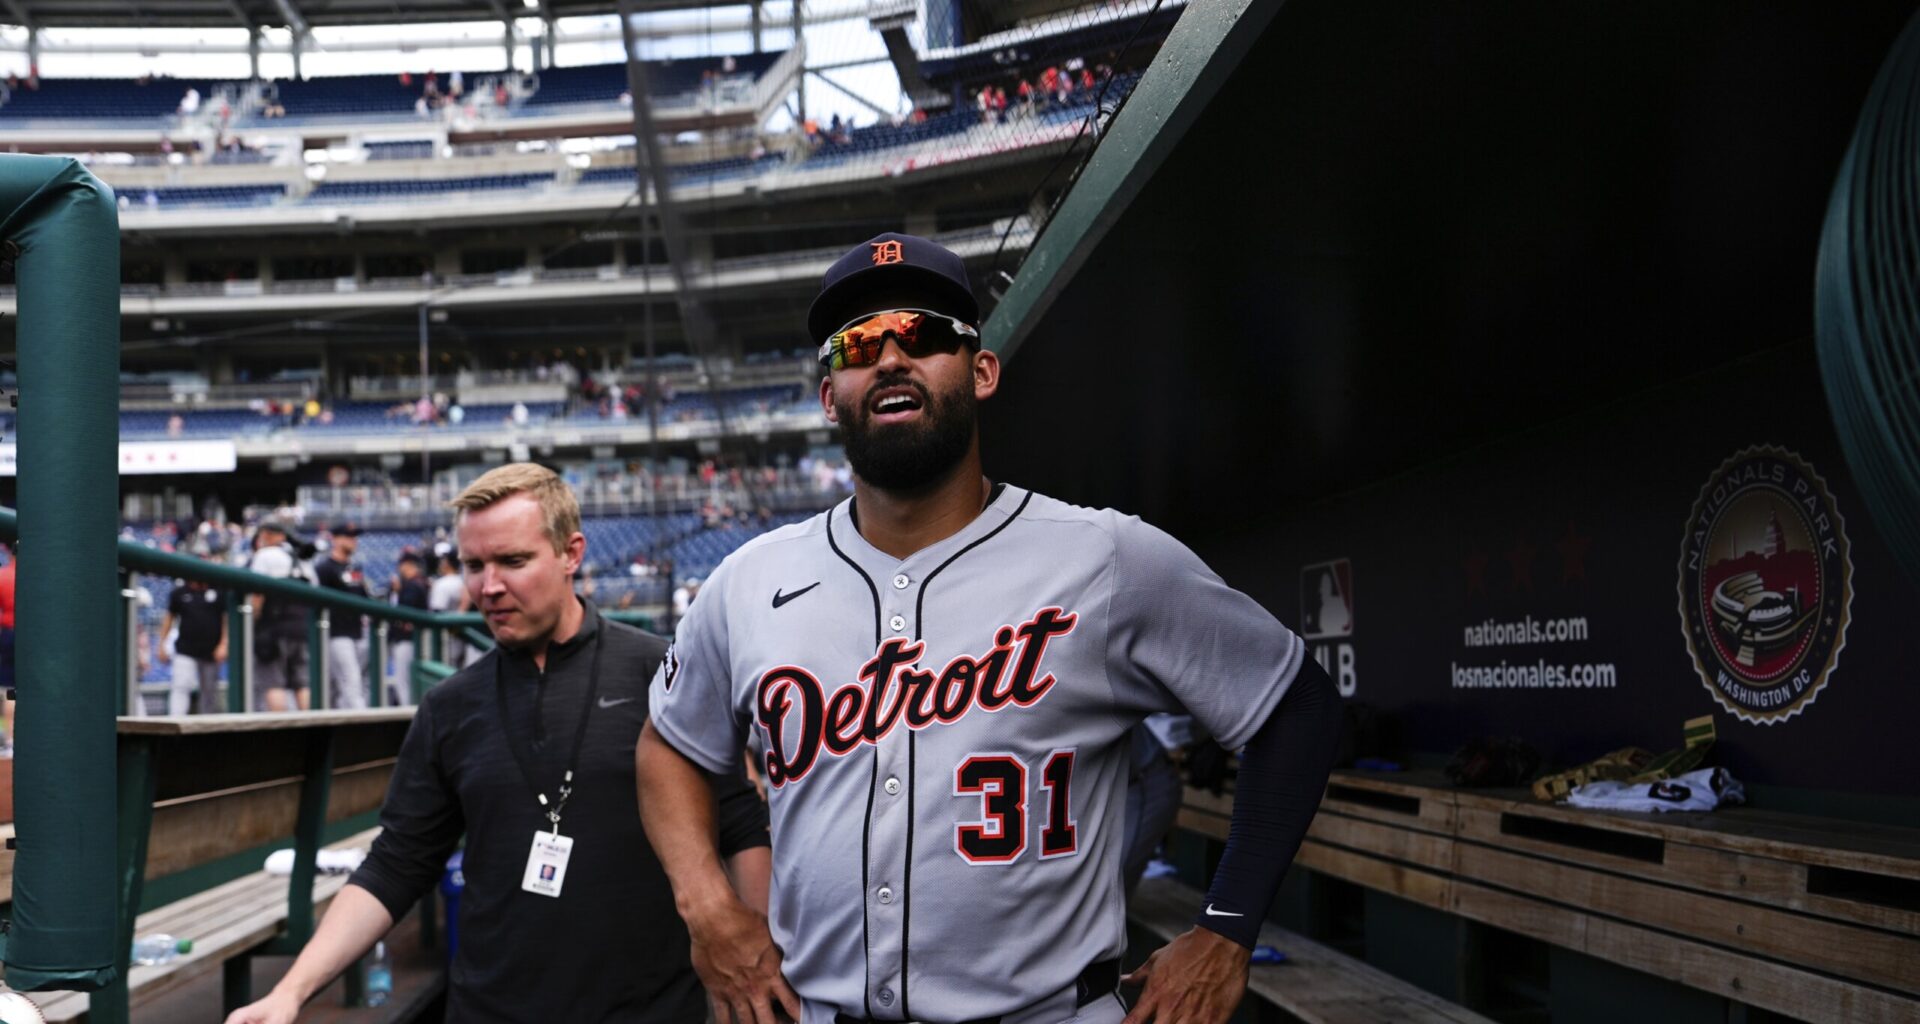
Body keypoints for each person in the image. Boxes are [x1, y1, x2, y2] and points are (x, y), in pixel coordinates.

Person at [635, 234, 1344, 1024]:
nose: (893, 357)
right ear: (831, 394)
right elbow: (669, 744)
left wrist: (1227, 928)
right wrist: (708, 907)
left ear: (981, 372)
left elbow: (1296, 705)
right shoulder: (750, 580)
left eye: (927, 334)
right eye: (860, 343)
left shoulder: (1106, 557)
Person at [225, 464, 771, 1024]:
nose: (489, 587)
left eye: (513, 561)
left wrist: (760, 965)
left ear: (571, 553)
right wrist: (291, 991)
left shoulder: (658, 672)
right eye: (473, 565)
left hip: (647, 1010)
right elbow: (395, 864)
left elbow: (740, 823)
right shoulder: (450, 706)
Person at [249, 520, 316, 711]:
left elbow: (257, 593)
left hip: (273, 628)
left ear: (268, 535)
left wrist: (254, 618)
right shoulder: (302, 559)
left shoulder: (266, 555)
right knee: (302, 684)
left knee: (273, 683)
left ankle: (283, 735)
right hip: (301, 628)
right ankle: (307, 729)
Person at [159, 548, 228, 714]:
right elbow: (169, 617)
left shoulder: (218, 590)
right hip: (185, 649)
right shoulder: (180, 592)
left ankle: (207, 731)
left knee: (209, 692)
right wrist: (161, 643)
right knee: (180, 686)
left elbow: (226, 618)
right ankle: (175, 725)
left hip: (211, 650)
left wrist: (224, 643)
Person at [313, 524, 370, 709]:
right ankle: (362, 727)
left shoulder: (354, 567)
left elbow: (364, 598)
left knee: (343, 685)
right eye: (348, 536)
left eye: (354, 537)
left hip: (357, 631)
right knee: (350, 680)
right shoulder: (324, 568)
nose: (353, 541)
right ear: (335, 539)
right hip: (335, 632)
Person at [387, 552, 431, 705]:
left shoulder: (412, 585)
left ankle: (408, 712)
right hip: (418, 638)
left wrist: (397, 593)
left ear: (407, 565)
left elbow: (404, 612)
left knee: (403, 680)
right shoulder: (423, 582)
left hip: (407, 639)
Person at [427, 551, 471, 666]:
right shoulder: (463, 581)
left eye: (443, 561)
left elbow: (437, 611)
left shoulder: (442, 583)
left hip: (445, 638)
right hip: (461, 635)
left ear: (447, 563)